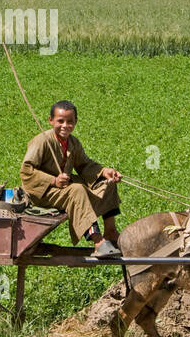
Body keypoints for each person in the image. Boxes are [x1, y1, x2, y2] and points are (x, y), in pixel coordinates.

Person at [19, 100, 124, 258]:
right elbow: (26, 170)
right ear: (51, 120)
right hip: (42, 193)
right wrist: (53, 181)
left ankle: (110, 232)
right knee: (77, 190)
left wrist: (104, 171)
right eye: (60, 121)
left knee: (107, 184)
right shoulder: (42, 141)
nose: (65, 126)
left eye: (70, 122)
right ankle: (97, 241)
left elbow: (84, 165)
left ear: (76, 122)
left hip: (63, 188)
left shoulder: (73, 142)